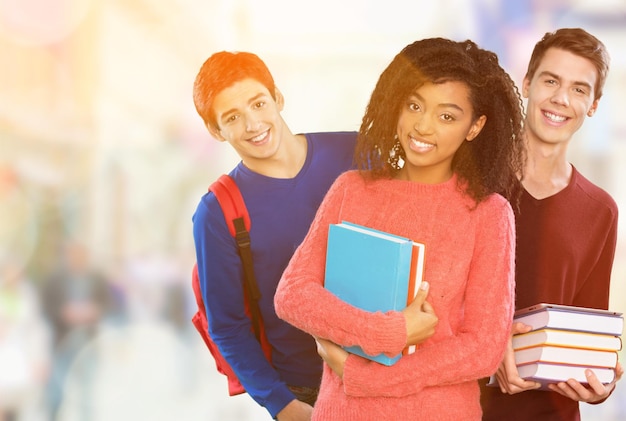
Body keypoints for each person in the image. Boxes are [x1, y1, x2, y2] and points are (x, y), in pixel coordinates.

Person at [274, 37, 526, 420]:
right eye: (414, 105)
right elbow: (292, 295)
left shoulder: (489, 214)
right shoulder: (351, 190)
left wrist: (368, 378)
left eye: (447, 116)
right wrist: (390, 332)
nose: (422, 126)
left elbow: (483, 348)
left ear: (474, 127)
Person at [191, 51, 356, 420]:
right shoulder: (217, 213)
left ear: (277, 98)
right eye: (232, 118)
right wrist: (283, 406)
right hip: (308, 392)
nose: (253, 124)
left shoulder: (354, 152)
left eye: (258, 103)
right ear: (217, 131)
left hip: (392, 374)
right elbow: (227, 327)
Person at [480, 27, 624, 420]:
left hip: (552, 413)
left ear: (593, 104)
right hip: (464, 407)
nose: (561, 99)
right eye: (551, 80)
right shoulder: (472, 182)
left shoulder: (601, 210)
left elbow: (585, 326)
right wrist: (488, 346)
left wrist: (598, 382)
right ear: (526, 84)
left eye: (580, 89)